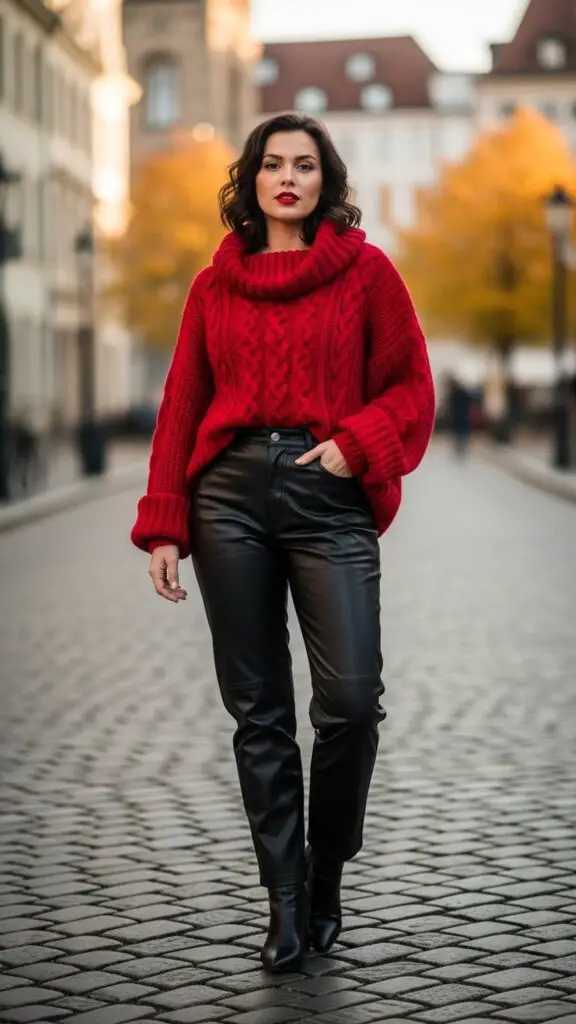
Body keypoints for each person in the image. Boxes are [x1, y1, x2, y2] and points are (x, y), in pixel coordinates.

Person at [131, 113, 435, 973]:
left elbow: (412, 388)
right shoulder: (212, 287)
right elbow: (182, 404)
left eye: (305, 165)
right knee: (258, 712)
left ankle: (327, 867)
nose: (289, 178)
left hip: (328, 495)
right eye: (273, 165)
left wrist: (357, 444)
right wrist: (165, 524)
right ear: (253, 181)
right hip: (228, 499)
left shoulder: (368, 274)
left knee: (351, 703)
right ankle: (286, 900)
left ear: (324, 180)